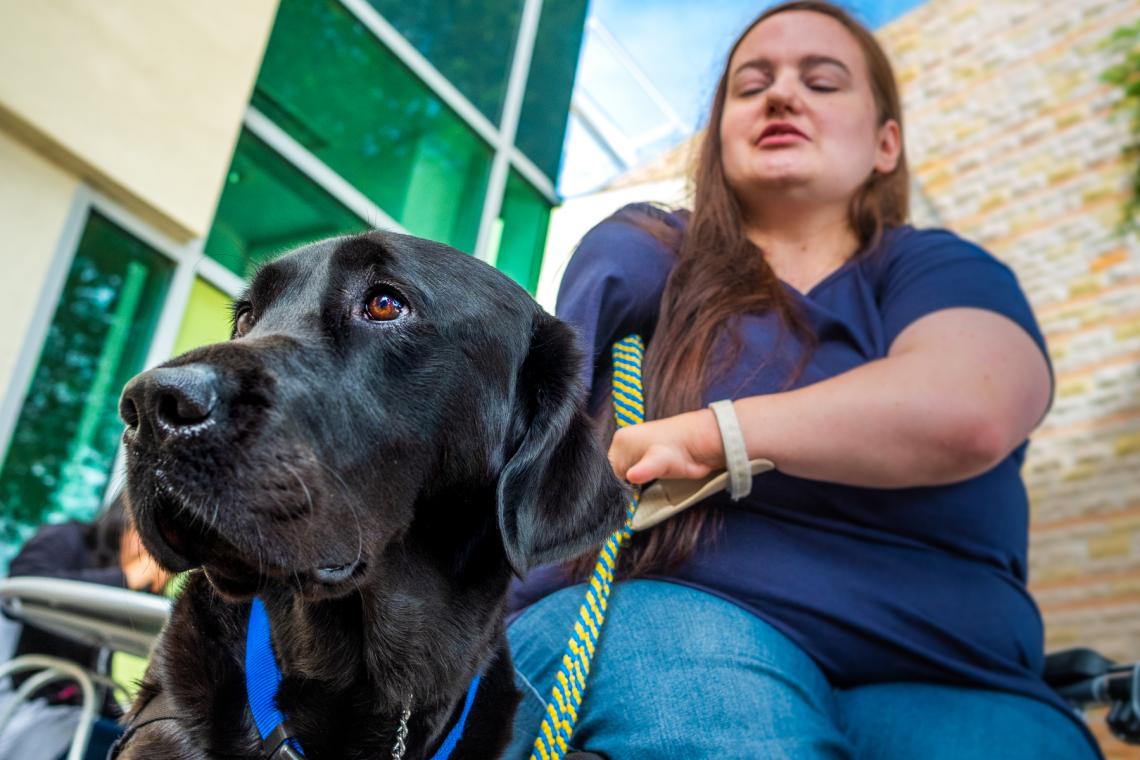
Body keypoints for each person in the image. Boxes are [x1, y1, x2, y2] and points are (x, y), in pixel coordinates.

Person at [504, 2, 1101, 758]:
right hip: (681, 621)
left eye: (821, 82)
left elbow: (972, 408)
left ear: (886, 143)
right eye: (751, 87)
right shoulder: (645, 258)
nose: (781, 96)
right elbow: (538, 467)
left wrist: (717, 436)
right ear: (720, 136)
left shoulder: (938, 270)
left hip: (954, 674)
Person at [0, 494, 170, 760]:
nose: (158, 557)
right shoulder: (68, 537)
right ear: (128, 520)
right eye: (153, 539)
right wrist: (126, 578)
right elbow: (22, 579)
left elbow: (97, 675)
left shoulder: (123, 595)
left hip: (73, 711)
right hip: (21, 701)